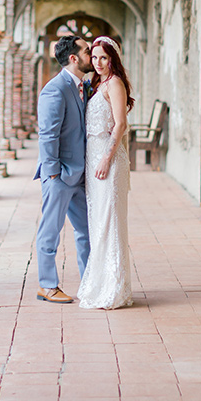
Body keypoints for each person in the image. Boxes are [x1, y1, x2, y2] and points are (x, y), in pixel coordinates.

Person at [34, 35, 93, 303]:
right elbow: (47, 134)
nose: (91, 54)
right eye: (87, 50)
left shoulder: (84, 86)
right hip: (60, 175)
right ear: (74, 58)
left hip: (80, 175)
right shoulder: (54, 89)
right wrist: (53, 173)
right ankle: (47, 285)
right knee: (50, 232)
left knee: (87, 231)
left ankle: (91, 282)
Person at [77, 36, 134, 310]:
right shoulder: (97, 84)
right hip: (93, 159)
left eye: (104, 57)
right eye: (95, 57)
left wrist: (105, 159)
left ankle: (114, 289)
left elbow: (120, 124)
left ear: (113, 58)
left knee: (109, 222)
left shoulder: (115, 84)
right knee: (97, 222)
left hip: (108, 161)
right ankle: (100, 284)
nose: (98, 63)